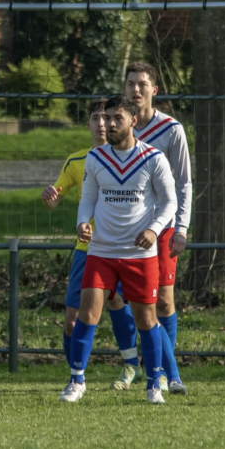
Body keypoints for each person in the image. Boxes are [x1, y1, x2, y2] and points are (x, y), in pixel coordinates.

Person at [66, 95, 177, 404]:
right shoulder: (96, 158)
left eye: (116, 118)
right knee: (88, 313)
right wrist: (82, 222)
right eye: (105, 118)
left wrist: (153, 230)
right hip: (100, 251)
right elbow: (88, 196)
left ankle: (154, 383)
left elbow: (170, 203)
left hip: (139, 255)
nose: (109, 124)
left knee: (146, 320)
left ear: (133, 122)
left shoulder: (153, 158)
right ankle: (77, 382)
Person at [41, 99, 136, 392]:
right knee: (73, 318)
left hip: (122, 247)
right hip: (88, 249)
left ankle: (131, 367)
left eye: (106, 118)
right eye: (95, 118)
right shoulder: (77, 161)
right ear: (89, 125)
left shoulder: (130, 158)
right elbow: (55, 200)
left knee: (121, 303)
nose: (101, 124)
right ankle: (75, 375)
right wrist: (49, 198)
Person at [112, 61, 192, 394]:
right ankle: (138, 365)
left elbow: (185, 183)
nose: (136, 89)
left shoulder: (171, 130)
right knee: (120, 298)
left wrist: (182, 227)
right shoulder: (116, 128)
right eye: (130, 84)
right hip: (123, 228)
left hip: (162, 228)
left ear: (153, 90)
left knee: (163, 303)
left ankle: (160, 371)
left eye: (142, 84)